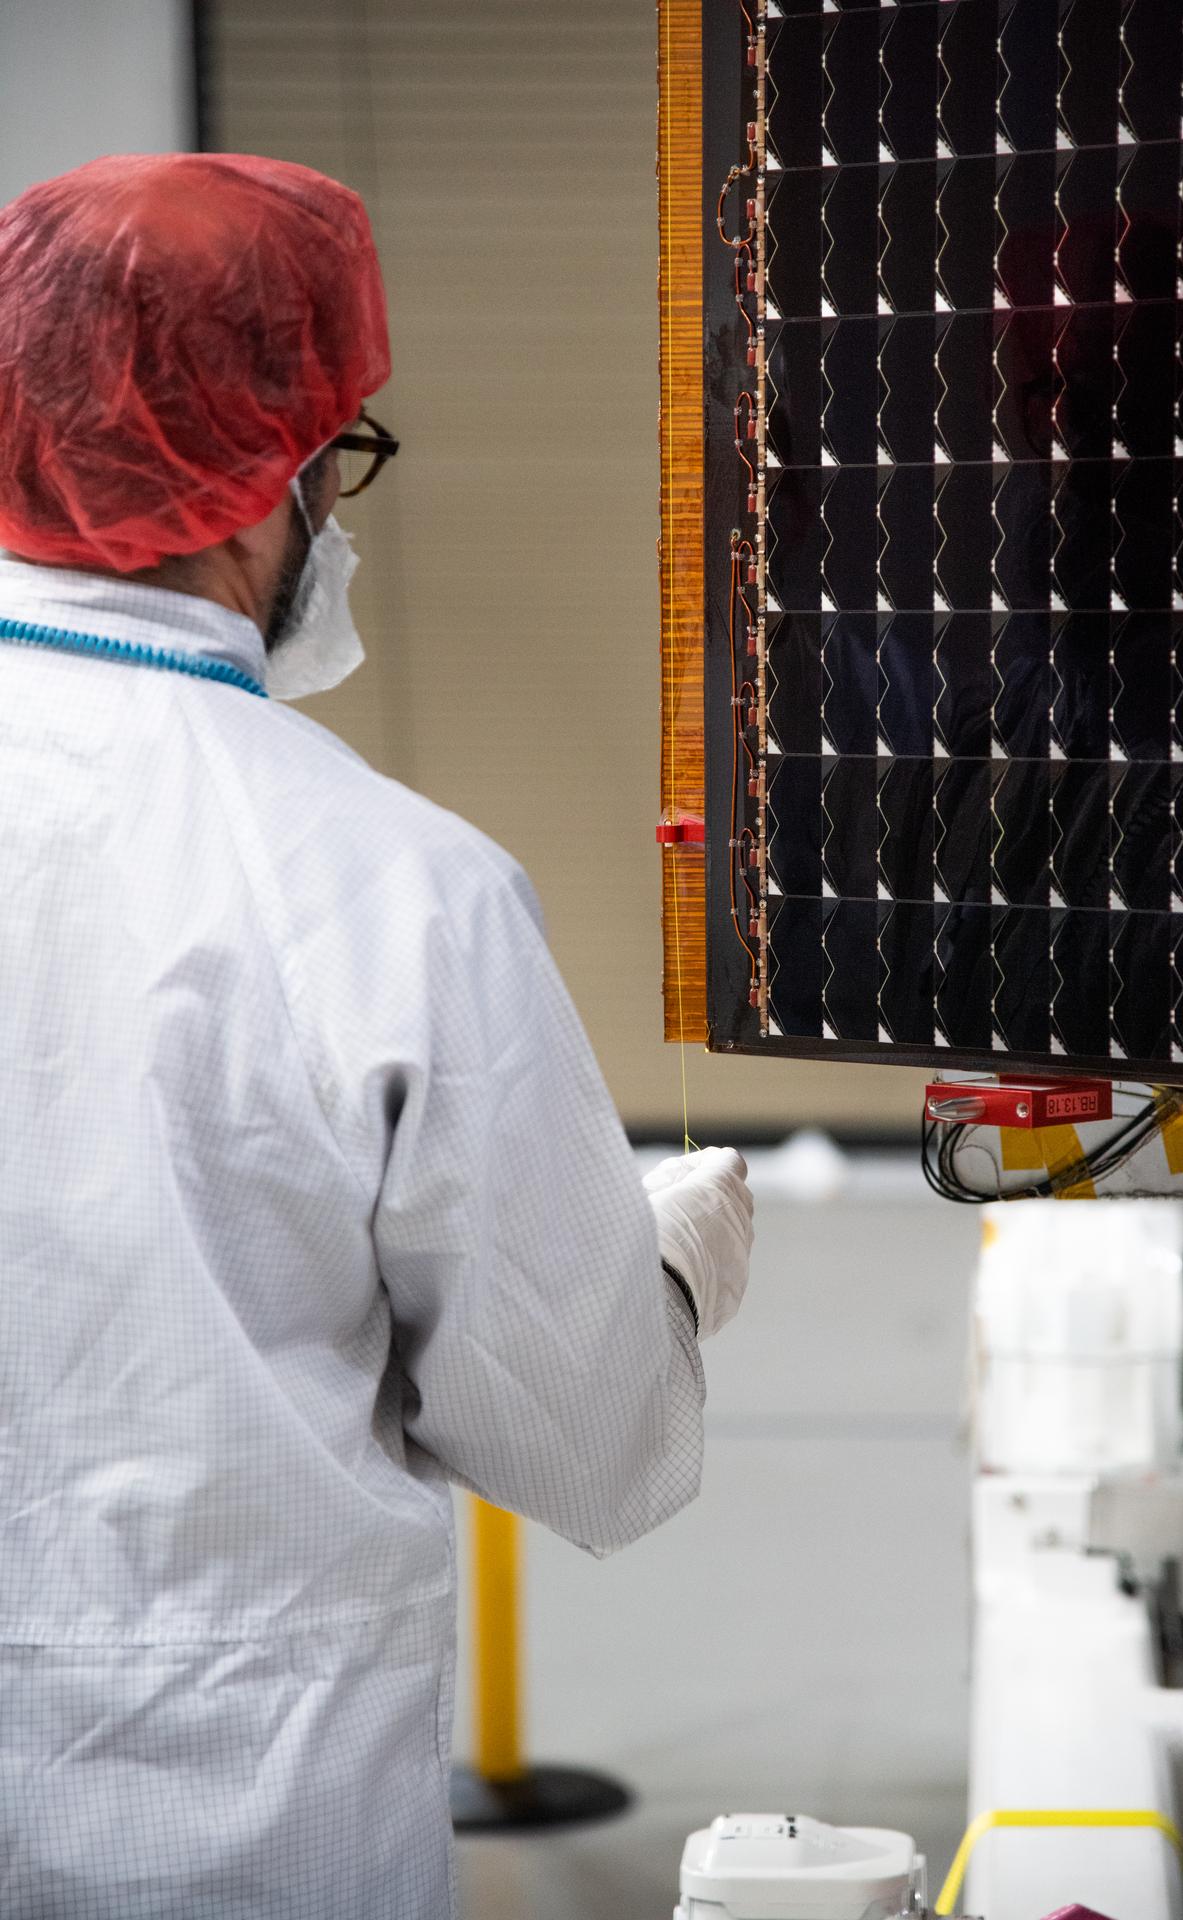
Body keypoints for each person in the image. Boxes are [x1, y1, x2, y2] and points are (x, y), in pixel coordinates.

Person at [0, 153, 753, 1919]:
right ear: (283, 480)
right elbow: (587, 1446)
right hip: (227, 1821)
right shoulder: (389, 890)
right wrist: (656, 1275)